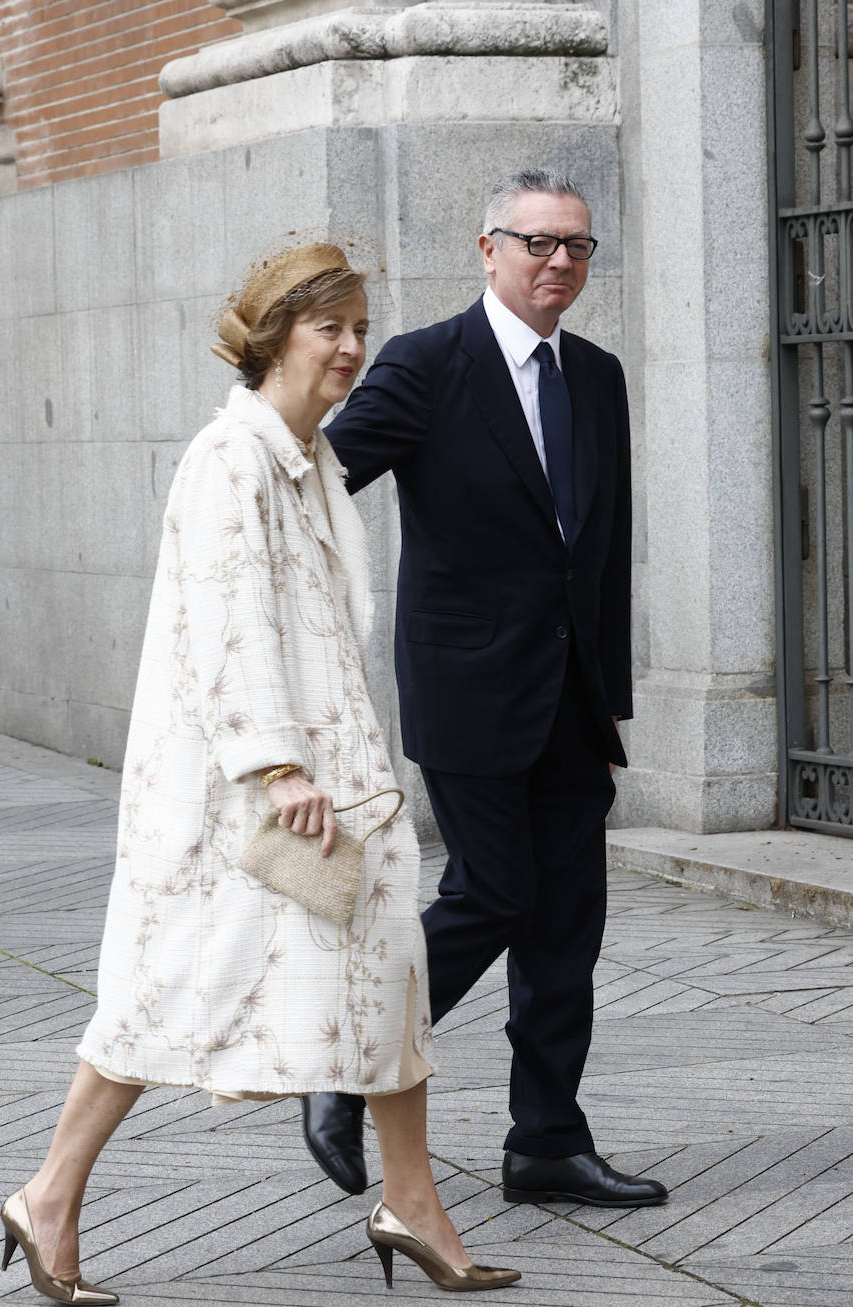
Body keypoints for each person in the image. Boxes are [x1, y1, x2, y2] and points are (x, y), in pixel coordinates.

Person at [0, 241, 521, 1306]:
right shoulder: (230, 457)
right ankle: (48, 1194)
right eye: (330, 327)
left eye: (359, 328)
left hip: (332, 784)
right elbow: (227, 622)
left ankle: (411, 1201)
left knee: (390, 977)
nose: (353, 349)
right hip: (249, 798)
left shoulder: (306, 456)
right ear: (274, 336)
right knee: (166, 989)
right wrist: (276, 764)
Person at [302, 170, 669, 1210]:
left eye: (578, 249)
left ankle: (547, 1141)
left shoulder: (595, 375)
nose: (559, 264)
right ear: (487, 249)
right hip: (467, 690)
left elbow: (600, 554)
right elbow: (320, 481)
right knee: (490, 895)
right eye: (538, 244)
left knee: (565, 929)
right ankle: (347, 1063)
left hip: (569, 698)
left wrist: (609, 707)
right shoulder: (427, 364)